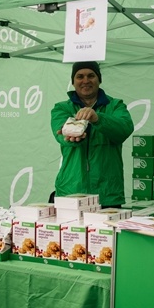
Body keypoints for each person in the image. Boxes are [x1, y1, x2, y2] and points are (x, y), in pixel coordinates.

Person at [50, 61, 134, 208]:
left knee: (106, 232)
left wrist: (98, 118)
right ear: (73, 81)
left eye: (91, 76)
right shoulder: (61, 108)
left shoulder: (115, 106)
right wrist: (73, 137)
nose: (85, 81)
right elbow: (61, 136)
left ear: (99, 79)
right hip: (71, 191)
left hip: (107, 193)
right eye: (80, 76)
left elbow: (124, 129)